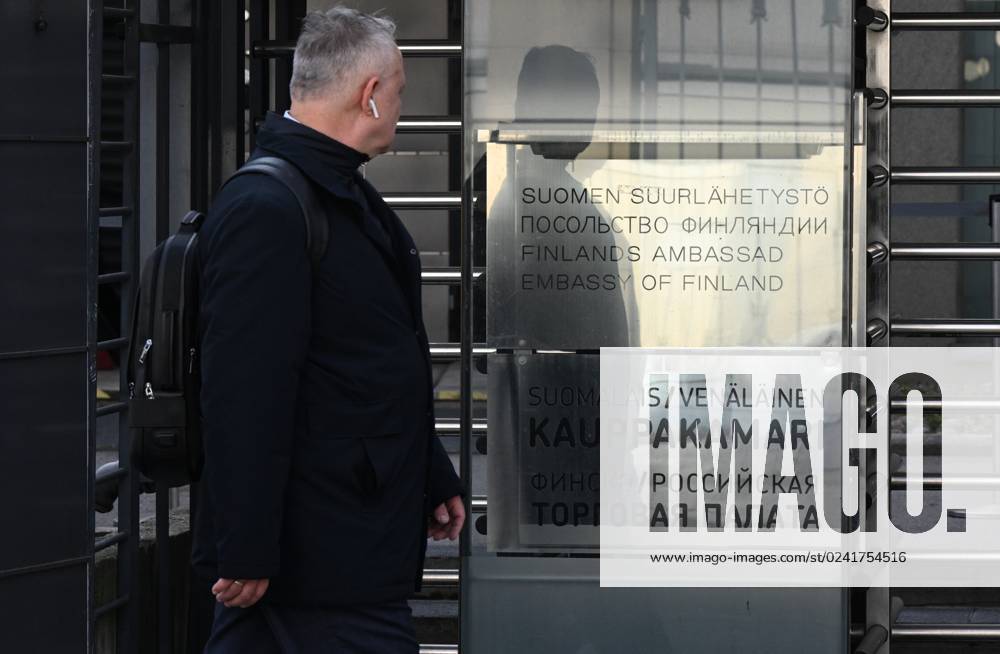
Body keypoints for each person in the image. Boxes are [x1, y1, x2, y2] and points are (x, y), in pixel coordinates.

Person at [192, 7, 464, 652]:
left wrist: (429, 469)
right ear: (369, 95)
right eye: (398, 91)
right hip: (316, 562)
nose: (401, 106)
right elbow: (244, 392)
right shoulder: (271, 208)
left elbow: (364, 364)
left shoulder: (334, 194)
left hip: (342, 543)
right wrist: (248, 547)